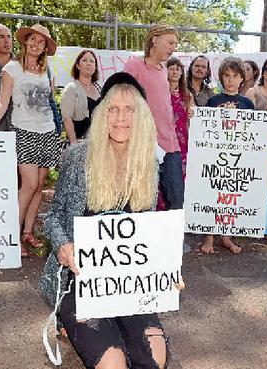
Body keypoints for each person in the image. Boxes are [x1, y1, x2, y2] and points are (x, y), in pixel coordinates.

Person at [39, 72, 169, 369]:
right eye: (113, 109)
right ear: (102, 115)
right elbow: (54, 216)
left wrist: (166, 269)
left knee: (154, 358)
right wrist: (63, 245)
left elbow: (145, 232)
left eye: (129, 110)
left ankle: (109, 323)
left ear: (142, 118)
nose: (121, 118)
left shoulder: (148, 164)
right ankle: (67, 316)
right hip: (79, 279)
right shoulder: (78, 156)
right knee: (114, 363)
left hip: (126, 282)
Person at [0, 24, 62, 256]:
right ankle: (12, 237)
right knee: (27, 184)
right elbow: (2, 101)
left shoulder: (48, 72)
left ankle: (28, 232)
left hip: (48, 133)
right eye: (33, 40)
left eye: (42, 41)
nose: (37, 44)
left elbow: (49, 104)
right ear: (26, 41)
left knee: (39, 185)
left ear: (46, 47)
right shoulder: (12, 68)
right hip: (24, 132)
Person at [124, 25, 184, 211]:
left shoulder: (164, 70)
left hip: (170, 145)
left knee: (176, 199)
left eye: (175, 44)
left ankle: (174, 240)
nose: (173, 47)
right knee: (141, 201)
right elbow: (122, 97)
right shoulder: (135, 65)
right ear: (154, 40)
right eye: (170, 42)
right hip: (144, 144)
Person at [200, 57, 255, 255]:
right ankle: (209, 236)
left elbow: (253, 130)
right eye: (226, 75)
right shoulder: (213, 101)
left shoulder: (247, 103)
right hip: (216, 155)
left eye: (235, 76)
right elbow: (203, 128)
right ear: (221, 78)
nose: (230, 80)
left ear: (242, 78)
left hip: (238, 156)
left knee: (231, 196)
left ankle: (226, 236)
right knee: (214, 194)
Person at [61, 49, 101, 144]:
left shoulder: (99, 88)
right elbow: (67, 118)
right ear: (78, 66)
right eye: (84, 60)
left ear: (95, 67)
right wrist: (73, 143)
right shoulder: (71, 88)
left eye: (92, 61)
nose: (88, 63)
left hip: (98, 144)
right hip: (79, 143)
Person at [166, 58, 190, 178]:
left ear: (181, 73)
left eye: (178, 69)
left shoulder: (186, 94)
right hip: (164, 137)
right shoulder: (160, 92)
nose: (175, 72)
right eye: (171, 69)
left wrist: (191, 113)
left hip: (183, 140)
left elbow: (192, 115)